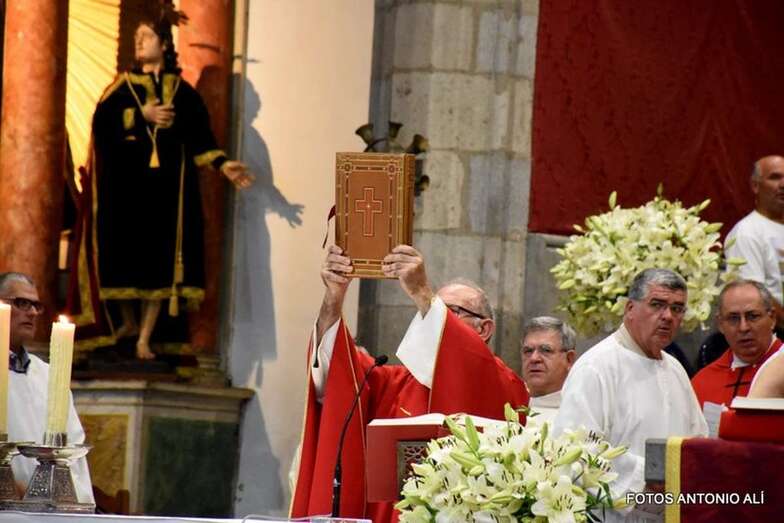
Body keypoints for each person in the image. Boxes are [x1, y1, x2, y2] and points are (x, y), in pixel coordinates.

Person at [290, 245, 528, 522]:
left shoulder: (503, 383)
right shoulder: (394, 383)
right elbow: (338, 377)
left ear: (483, 329)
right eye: (433, 310)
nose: (432, 316)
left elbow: (472, 365)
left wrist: (422, 293)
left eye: (449, 312)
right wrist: (334, 297)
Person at [77, 8, 253, 359]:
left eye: (146, 37)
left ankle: (144, 337)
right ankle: (127, 323)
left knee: (158, 262)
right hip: (124, 193)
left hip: (165, 197)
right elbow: (101, 125)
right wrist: (138, 115)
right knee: (120, 257)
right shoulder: (121, 88)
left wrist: (224, 165)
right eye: (137, 37)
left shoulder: (182, 94)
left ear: (164, 44)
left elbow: (200, 137)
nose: (139, 42)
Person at [554, 268, 707, 522]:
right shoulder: (596, 367)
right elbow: (574, 451)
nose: (668, 316)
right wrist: (646, 477)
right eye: (657, 304)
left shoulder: (676, 369)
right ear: (630, 308)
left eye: (677, 308)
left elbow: (698, 439)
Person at [0, 273, 93, 502]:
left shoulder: (50, 375)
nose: (32, 312)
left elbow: (73, 450)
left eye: (36, 305)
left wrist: (67, 499)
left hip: (49, 508)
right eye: (22, 303)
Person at [691, 280, 781, 408]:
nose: (743, 328)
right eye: (733, 318)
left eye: (753, 316)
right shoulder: (703, 382)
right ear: (720, 324)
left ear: (772, 318)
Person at [725, 155, 784, 335]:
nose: (783, 184)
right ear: (755, 186)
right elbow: (754, 299)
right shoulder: (747, 232)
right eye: (775, 177)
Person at [520, 316, 576, 424]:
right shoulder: (508, 404)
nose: (534, 358)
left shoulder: (581, 413)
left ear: (569, 359)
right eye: (528, 351)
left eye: (546, 350)